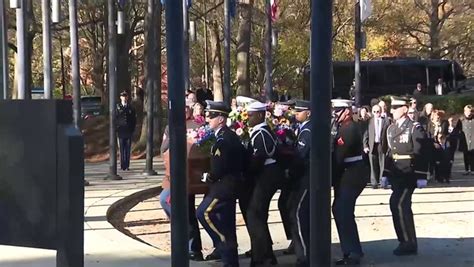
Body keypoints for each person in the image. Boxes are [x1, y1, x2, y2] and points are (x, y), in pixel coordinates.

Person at [196, 101, 245, 267]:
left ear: (221, 119)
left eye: (211, 116)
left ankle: (223, 244)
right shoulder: (224, 136)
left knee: (203, 212)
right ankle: (230, 259)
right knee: (226, 221)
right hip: (228, 184)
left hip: (225, 186)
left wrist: (207, 176)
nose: (208, 119)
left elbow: (219, 168)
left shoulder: (224, 139)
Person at [159, 106, 207, 262]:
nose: (184, 110)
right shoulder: (170, 126)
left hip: (190, 174)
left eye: (187, 107)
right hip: (173, 174)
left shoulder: (198, 125)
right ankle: (189, 245)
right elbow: (163, 149)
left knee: (184, 210)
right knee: (170, 203)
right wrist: (173, 136)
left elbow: (203, 148)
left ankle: (192, 248)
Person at [383, 96, 430, 256]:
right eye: (392, 108)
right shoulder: (391, 129)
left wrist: (422, 175)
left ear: (404, 109)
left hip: (409, 173)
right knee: (401, 206)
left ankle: (407, 242)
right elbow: (390, 153)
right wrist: (385, 173)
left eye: (395, 108)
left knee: (397, 203)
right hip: (396, 172)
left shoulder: (414, 127)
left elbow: (421, 152)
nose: (392, 111)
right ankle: (408, 240)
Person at [244, 101, 284, 266]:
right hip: (267, 175)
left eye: (251, 115)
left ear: (260, 115)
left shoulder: (261, 133)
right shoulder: (261, 131)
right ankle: (266, 254)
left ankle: (261, 258)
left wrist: (248, 173)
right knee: (258, 215)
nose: (248, 118)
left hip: (266, 176)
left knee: (255, 214)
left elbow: (260, 157)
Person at [331, 99, 369, 265]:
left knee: (343, 210)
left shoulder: (349, 129)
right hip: (348, 174)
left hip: (352, 174)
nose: (335, 114)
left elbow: (339, 157)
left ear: (347, 111)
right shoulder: (343, 127)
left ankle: (353, 252)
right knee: (340, 210)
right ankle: (349, 250)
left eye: (338, 110)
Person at [288, 100, 312, 266]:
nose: (296, 114)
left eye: (299, 111)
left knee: (298, 213)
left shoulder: (308, 130)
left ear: (308, 113)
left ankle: (304, 254)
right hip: (305, 176)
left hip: (307, 177)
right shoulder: (304, 128)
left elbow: (300, 155)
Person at [363, 105, 390, 189]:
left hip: (382, 145)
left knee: (383, 164)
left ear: (380, 111)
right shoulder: (369, 122)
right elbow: (366, 134)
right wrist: (365, 145)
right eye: (374, 112)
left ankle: (382, 182)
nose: (376, 114)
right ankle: (374, 183)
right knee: (373, 164)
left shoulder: (386, 121)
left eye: (378, 111)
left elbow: (388, 134)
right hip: (372, 144)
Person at [116, 91, 136, 171]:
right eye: (122, 96)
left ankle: (127, 165)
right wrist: (116, 128)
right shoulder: (117, 107)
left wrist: (132, 129)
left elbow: (134, 119)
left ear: (127, 97)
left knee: (127, 149)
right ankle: (122, 165)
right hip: (121, 131)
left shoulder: (131, 107)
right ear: (120, 97)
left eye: (125, 96)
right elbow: (115, 118)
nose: (124, 97)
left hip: (128, 131)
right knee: (121, 149)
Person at [456, 105, 474, 175]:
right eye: (467, 111)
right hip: (464, 140)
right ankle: (466, 169)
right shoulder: (461, 120)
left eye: (470, 111)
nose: (469, 113)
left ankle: (473, 169)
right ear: (464, 112)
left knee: (473, 155)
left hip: (473, 140)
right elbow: (457, 129)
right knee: (466, 155)